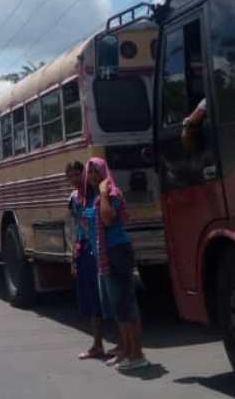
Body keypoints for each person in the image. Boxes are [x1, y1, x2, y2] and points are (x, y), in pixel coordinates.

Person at [85, 157, 149, 371]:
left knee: (126, 303)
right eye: (90, 172)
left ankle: (137, 354)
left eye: (96, 172)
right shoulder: (96, 196)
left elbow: (107, 219)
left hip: (118, 251)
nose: (93, 176)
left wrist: (103, 193)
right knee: (118, 305)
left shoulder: (111, 193)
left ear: (104, 172)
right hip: (108, 253)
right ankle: (126, 351)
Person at [66, 160, 112, 361]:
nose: (76, 179)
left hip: (100, 251)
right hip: (83, 252)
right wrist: (73, 256)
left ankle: (121, 346)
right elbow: (75, 228)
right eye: (71, 176)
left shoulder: (96, 195)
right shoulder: (74, 199)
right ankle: (97, 344)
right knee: (91, 300)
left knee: (108, 298)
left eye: (78, 174)